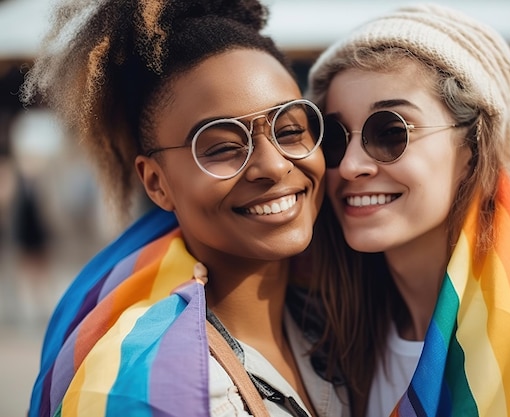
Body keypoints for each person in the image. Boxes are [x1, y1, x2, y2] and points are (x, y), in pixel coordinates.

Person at [20, 0, 349, 416]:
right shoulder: (144, 392)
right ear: (157, 183)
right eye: (224, 147)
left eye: (289, 130)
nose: (273, 164)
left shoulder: (343, 321)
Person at [306, 3, 510, 417]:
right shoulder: (323, 330)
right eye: (332, 138)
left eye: (389, 132)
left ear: (473, 150)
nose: (349, 166)